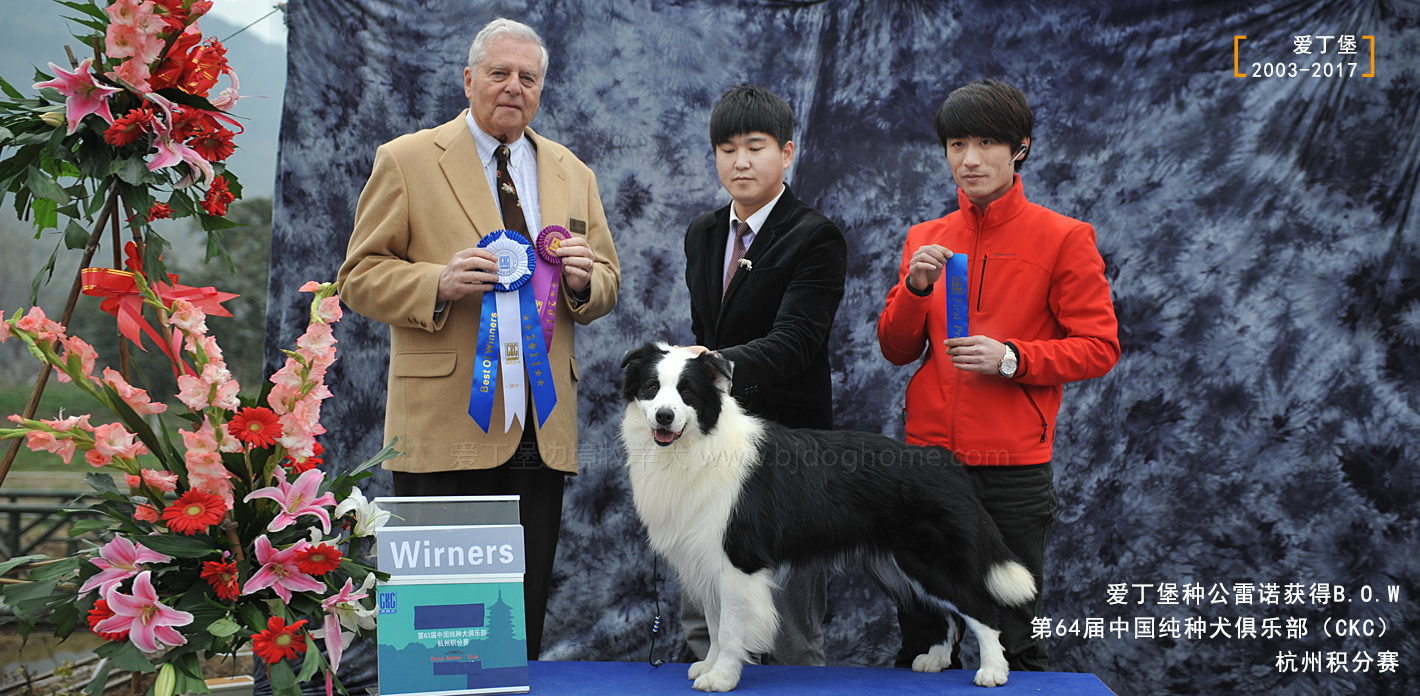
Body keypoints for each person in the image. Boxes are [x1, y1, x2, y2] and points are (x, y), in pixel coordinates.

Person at [337, 18, 620, 659]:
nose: (513, 87)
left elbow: (607, 281)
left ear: (541, 90)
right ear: (468, 80)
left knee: (514, 626)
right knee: (440, 633)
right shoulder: (405, 159)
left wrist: (582, 280)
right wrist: (437, 282)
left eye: (528, 77)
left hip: (541, 433)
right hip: (443, 426)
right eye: (499, 73)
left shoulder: (574, 173)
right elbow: (357, 277)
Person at [876, 78, 1119, 672]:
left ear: (1020, 149)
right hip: (928, 461)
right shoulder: (924, 239)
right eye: (957, 143)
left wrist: (1013, 358)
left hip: (1014, 468)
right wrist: (914, 289)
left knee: (1011, 637)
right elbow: (895, 347)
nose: (970, 159)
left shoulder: (1064, 238)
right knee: (922, 637)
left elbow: (1099, 347)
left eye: (987, 142)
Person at [681, 84, 848, 665]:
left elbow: (799, 340)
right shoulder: (702, 233)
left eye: (756, 147)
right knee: (705, 619)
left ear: (789, 151)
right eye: (727, 149)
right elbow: (704, 328)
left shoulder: (815, 236)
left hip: (788, 454)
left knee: (791, 629)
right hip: (709, 452)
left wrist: (717, 366)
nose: (740, 161)